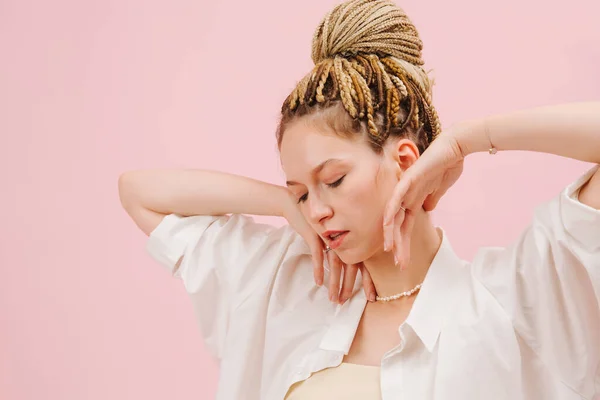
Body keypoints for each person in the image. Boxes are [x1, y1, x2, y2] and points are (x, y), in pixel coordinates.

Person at [118, 0, 600, 398]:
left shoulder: (515, 299)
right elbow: (139, 191)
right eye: (304, 191)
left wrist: (467, 139)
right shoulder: (284, 283)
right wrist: (285, 204)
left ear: (406, 161)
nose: (317, 210)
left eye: (334, 179)